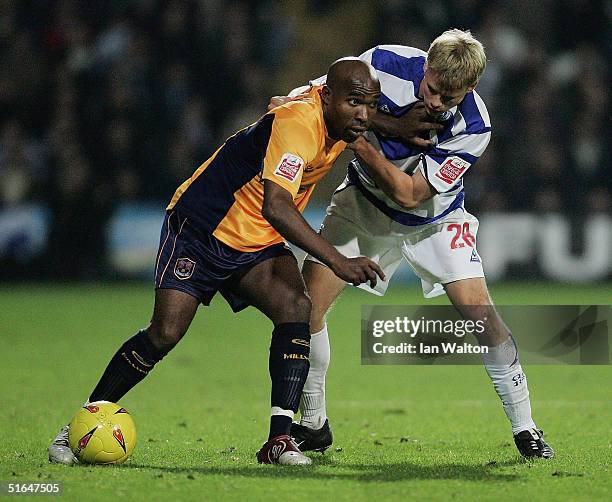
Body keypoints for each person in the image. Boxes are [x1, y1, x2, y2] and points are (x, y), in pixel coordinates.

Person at [48, 58, 384, 466]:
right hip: (201, 226)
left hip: (254, 239)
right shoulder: (299, 123)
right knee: (165, 333)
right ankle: (77, 428)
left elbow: (367, 118)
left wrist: (414, 128)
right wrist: (338, 262)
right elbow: (277, 207)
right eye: (354, 103)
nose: (363, 115)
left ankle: (280, 441)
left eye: (370, 104)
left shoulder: (342, 120)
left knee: (296, 307)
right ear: (327, 96)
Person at [272, 29, 554, 460]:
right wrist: (294, 103)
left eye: (450, 96)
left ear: (471, 88)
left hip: (434, 221)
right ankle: (313, 422)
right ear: (425, 66)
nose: (437, 101)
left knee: (483, 317)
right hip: (363, 206)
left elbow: (409, 194)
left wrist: (361, 143)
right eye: (433, 89)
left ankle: (526, 428)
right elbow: (317, 96)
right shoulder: (383, 62)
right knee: (306, 308)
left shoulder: (475, 126)